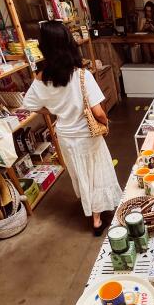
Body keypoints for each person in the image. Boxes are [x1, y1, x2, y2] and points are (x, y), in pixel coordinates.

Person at [23, 20, 122, 235]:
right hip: (87, 133)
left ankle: (91, 211)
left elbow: (30, 105)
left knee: (81, 174)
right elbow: (98, 113)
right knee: (96, 172)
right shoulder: (81, 75)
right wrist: (106, 123)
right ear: (68, 42)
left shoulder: (41, 78)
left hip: (66, 136)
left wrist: (54, 110)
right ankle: (97, 218)